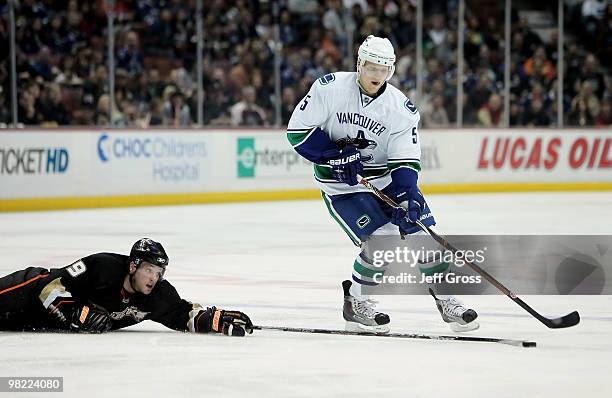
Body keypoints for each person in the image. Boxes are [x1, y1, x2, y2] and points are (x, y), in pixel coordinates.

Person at [286, 35, 478, 333]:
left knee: (425, 235)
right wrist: (335, 155)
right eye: (372, 67)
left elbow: (405, 162)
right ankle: (357, 302)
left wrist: (408, 196)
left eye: (384, 69)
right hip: (342, 185)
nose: (377, 75)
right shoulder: (330, 88)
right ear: (359, 63)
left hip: (385, 179)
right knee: (383, 241)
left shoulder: (400, 109)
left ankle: (448, 300)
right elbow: (297, 132)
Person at [0, 238, 253, 336]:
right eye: (149, 270)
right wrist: (76, 312)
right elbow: (50, 288)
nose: (154, 279)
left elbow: (181, 313)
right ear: (133, 266)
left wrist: (211, 319)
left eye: (159, 273)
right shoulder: (101, 267)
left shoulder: (156, 295)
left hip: (30, 322)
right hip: (27, 291)